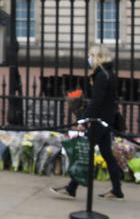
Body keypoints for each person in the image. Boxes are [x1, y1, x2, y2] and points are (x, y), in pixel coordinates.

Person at [51, 44, 124, 200]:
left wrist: (83, 119)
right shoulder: (110, 73)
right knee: (106, 154)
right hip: (106, 120)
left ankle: (71, 188)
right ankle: (117, 189)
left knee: (84, 153)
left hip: (99, 121)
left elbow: (97, 102)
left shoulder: (101, 76)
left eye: (91, 55)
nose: (89, 58)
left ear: (97, 57)